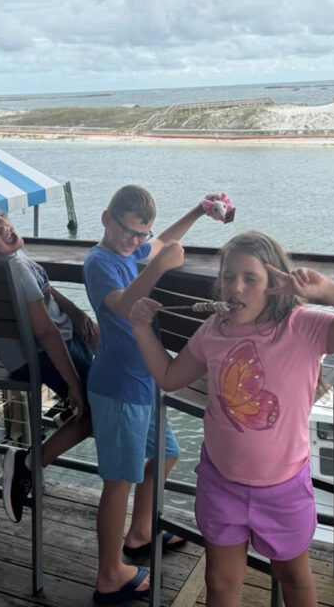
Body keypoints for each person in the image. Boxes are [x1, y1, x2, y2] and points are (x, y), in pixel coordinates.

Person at [130, 231, 334, 607]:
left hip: (283, 490)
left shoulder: (302, 326)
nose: (235, 287)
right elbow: (170, 377)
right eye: (228, 277)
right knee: (220, 582)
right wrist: (141, 329)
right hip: (221, 483)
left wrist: (328, 291)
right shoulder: (213, 329)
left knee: (294, 578)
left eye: (250, 278)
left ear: (274, 284)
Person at [84, 185, 227, 605]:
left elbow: (163, 241)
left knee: (166, 454)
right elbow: (123, 305)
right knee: (119, 482)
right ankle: (109, 574)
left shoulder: (131, 251)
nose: (135, 241)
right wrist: (159, 267)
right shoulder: (99, 262)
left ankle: (141, 531)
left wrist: (197, 212)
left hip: (141, 382)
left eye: (140, 235)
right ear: (107, 219)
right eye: (129, 231)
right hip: (118, 387)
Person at [0, 207, 98, 524]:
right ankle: (28, 463)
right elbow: (46, 333)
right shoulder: (14, 267)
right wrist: (73, 385)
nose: (1, 228)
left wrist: (74, 311)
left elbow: (42, 290)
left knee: (102, 344)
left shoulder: (7, 260)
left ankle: (68, 413)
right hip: (40, 354)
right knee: (98, 411)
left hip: (27, 350)